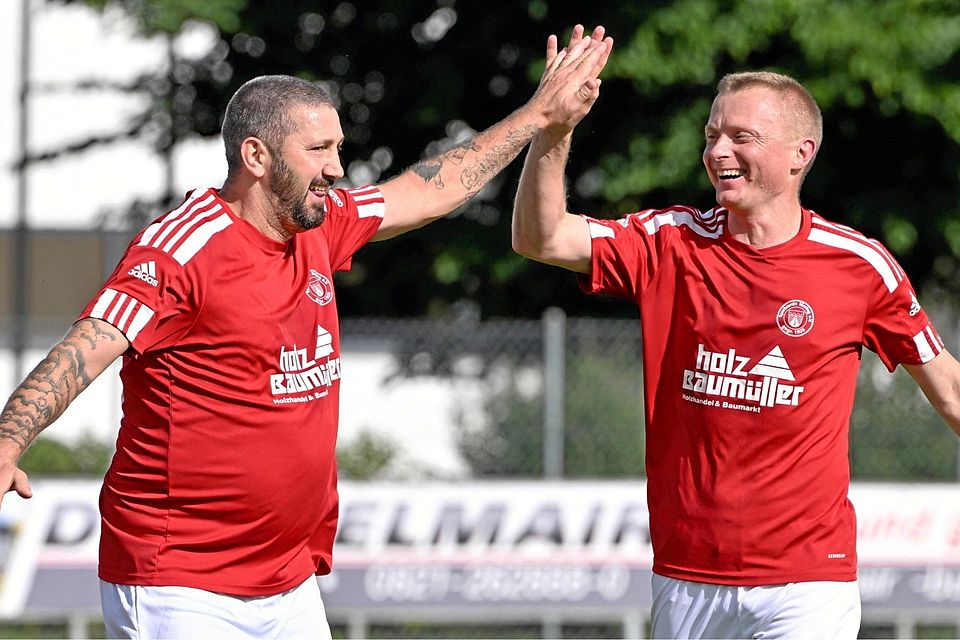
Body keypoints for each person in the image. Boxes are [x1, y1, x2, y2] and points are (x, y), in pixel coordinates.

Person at [0, 29, 610, 638]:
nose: (336, 168)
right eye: (318, 150)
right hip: (179, 581)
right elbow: (86, 345)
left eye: (337, 148)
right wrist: (7, 442)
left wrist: (538, 116)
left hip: (288, 581)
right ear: (256, 156)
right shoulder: (182, 249)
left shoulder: (321, 225)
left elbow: (434, 188)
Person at [512, 27, 960, 640]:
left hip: (809, 584)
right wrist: (554, 129)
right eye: (711, 136)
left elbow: (950, 391)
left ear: (800, 154)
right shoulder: (668, 241)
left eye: (741, 137)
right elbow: (540, 238)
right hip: (688, 576)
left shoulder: (859, 266)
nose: (718, 151)